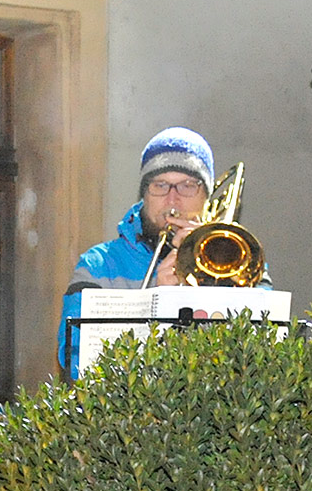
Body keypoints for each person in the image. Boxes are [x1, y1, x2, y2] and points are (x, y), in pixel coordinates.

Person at [56, 127, 254, 376]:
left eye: (188, 185)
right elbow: (76, 363)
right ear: (144, 194)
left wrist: (211, 282)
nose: (173, 200)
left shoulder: (240, 262)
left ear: (208, 196)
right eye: (160, 185)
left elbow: (257, 362)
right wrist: (156, 301)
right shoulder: (98, 266)